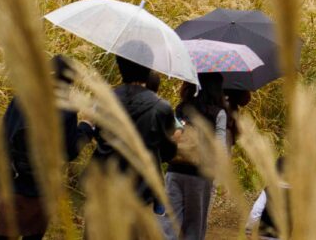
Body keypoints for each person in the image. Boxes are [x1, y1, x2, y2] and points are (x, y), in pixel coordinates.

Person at [0, 55, 93, 240]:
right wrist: (85, 126)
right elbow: (69, 151)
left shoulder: (21, 98)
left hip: (13, 182)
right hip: (40, 190)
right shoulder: (67, 110)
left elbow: (4, 138)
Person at [89, 48, 178, 213]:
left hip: (103, 183)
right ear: (148, 68)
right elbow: (167, 152)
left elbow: (97, 134)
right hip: (138, 193)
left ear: (119, 65)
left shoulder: (104, 100)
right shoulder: (161, 108)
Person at [164, 73, 229, 240]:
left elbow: (172, 137)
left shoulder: (181, 108)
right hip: (200, 176)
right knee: (194, 228)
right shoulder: (218, 113)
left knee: (169, 226)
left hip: (174, 170)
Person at [246, 157, 289, 240]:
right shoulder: (295, 195)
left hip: (265, 235)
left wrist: (249, 229)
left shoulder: (268, 190)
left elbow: (256, 211)